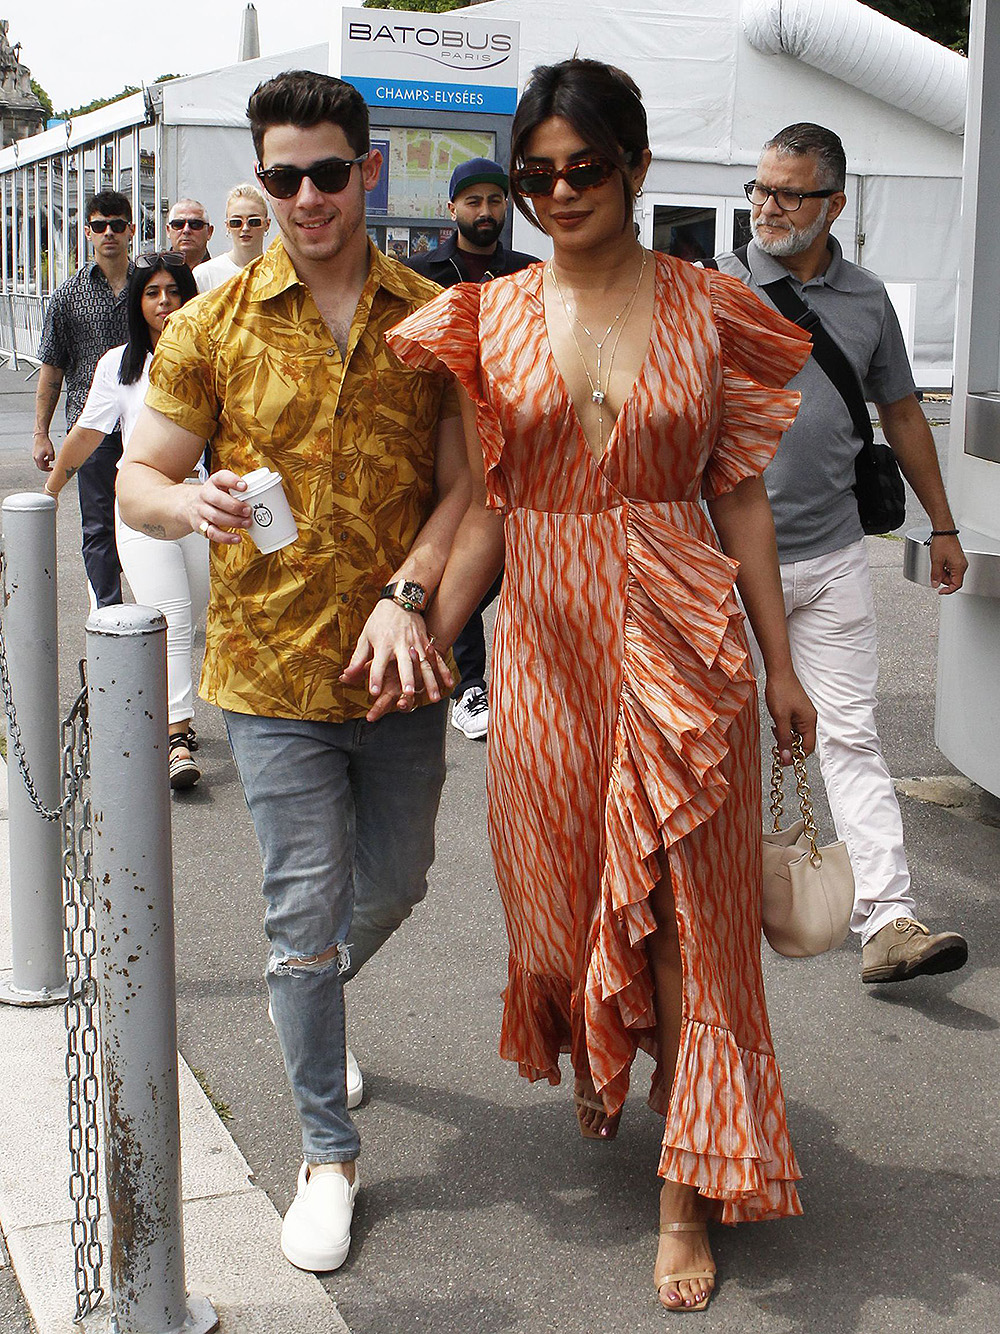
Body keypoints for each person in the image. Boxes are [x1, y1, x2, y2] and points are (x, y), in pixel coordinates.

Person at [378, 59, 817, 1313]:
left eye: (583, 168)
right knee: (568, 888)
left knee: (687, 914)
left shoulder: (710, 305)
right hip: (549, 640)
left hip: (685, 629)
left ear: (632, 166)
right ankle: (612, 1052)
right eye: (535, 176)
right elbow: (484, 512)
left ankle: (686, 1190)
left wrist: (782, 663)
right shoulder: (491, 315)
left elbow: (738, 493)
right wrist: (424, 633)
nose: (558, 192)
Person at [117, 70, 469, 1275]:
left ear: (367, 170)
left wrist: (412, 590)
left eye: (328, 172)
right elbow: (137, 479)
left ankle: (306, 993)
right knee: (299, 911)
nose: (306, 197)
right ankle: (328, 1148)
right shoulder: (210, 323)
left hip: (398, 668)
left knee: (403, 876)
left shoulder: (432, 318)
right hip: (266, 676)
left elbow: (467, 489)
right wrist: (187, 498)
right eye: (282, 177)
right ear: (259, 184)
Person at [710, 123, 969, 986]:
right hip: (718, 563)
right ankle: (703, 919)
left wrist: (942, 523)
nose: (767, 207)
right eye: (760, 189)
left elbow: (899, 412)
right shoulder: (713, 289)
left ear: (835, 205)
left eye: (788, 193)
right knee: (714, 740)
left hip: (831, 558)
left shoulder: (866, 301)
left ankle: (888, 918)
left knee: (851, 734)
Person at [44, 253, 208, 790]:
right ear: (138, 304)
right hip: (143, 505)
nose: (165, 303)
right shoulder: (119, 364)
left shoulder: (215, 353)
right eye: (152, 293)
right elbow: (88, 434)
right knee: (174, 616)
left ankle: (164, 710)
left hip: (205, 504)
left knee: (208, 611)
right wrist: (50, 494)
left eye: (174, 292)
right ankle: (178, 737)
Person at [407, 157, 538, 741]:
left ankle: (511, 671)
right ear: (451, 208)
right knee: (461, 537)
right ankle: (470, 683)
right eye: (473, 202)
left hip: (516, 433)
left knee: (513, 552)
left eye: (495, 201)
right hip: (444, 429)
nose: (485, 212)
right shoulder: (420, 274)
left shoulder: (528, 274)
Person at [33, 189, 135, 607]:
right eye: (99, 226)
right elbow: (52, 369)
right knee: (97, 525)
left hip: (142, 423)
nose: (108, 233)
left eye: (116, 225)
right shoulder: (67, 296)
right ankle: (106, 610)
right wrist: (41, 432)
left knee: (143, 520)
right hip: (88, 426)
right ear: (88, 233)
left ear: (131, 230)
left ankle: (155, 606)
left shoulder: (151, 287)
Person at [196, 183, 271, 292]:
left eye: (254, 222)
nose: (245, 228)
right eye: (236, 222)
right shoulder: (204, 275)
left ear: (267, 224)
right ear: (227, 226)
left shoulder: (279, 272)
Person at [166, 198, 213, 269]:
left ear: (209, 232)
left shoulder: (221, 276)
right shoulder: (153, 276)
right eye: (178, 224)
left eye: (195, 224)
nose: (186, 230)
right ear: (168, 231)